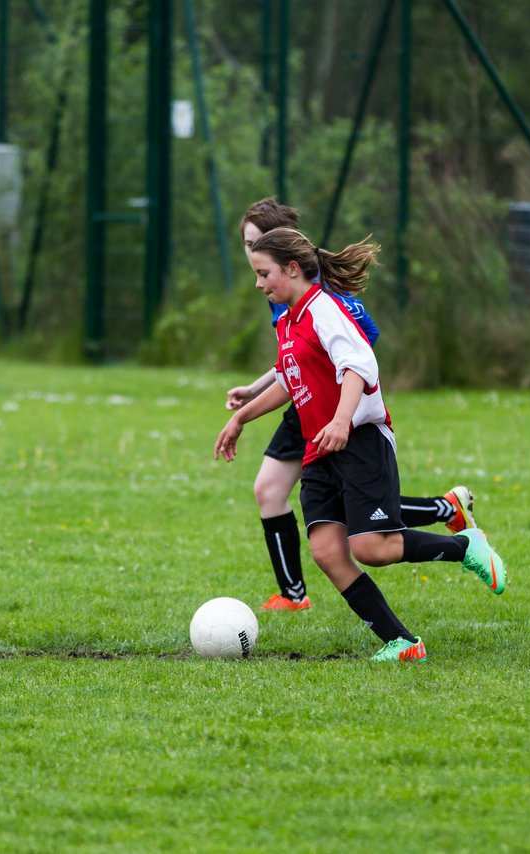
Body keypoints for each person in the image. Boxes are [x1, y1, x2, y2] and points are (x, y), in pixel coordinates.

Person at [214, 227, 506, 662]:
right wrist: (242, 416)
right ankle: (402, 642)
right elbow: (288, 381)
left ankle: (468, 546)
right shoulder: (289, 320)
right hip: (320, 450)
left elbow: (359, 364)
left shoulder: (323, 309)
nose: (259, 284)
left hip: (359, 441)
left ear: (292, 269)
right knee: (328, 551)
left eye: (264, 274)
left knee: (372, 548)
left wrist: (341, 420)